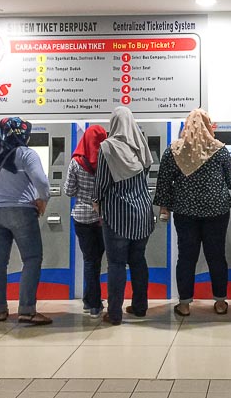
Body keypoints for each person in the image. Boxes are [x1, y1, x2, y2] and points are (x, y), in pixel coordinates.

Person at [154, 109, 231, 316]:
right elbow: (230, 181)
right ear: (208, 125)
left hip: (185, 212)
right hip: (217, 210)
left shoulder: (174, 150)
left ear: (186, 125)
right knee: (216, 255)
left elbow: (163, 182)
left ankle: (185, 304)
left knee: (187, 257)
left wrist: (165, 206)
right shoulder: (220, 150)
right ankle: (220, 302)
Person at [0, 117, 52, 325]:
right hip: (21, 211)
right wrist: (42, 199)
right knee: (32, 258)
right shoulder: (27, 154)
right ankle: (27, 310)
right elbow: (42, 182)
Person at [93, 107, 154, 325]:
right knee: (138, 261)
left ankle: (115, 314)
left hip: (118, 215)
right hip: (142, 213)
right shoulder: (141, 144)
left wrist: (96, 200)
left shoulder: (107, 148)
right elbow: (146, 171)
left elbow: (101, 182)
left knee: (116, 264)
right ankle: (140, 306)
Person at [64, 124, 108, 318]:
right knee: (98, 259)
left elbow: (68, 191)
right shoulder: (107, 161)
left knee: (90, 259)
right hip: (103, 217)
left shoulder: (76, 162)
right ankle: (94, 302)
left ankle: (91, 302)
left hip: (81, 217)